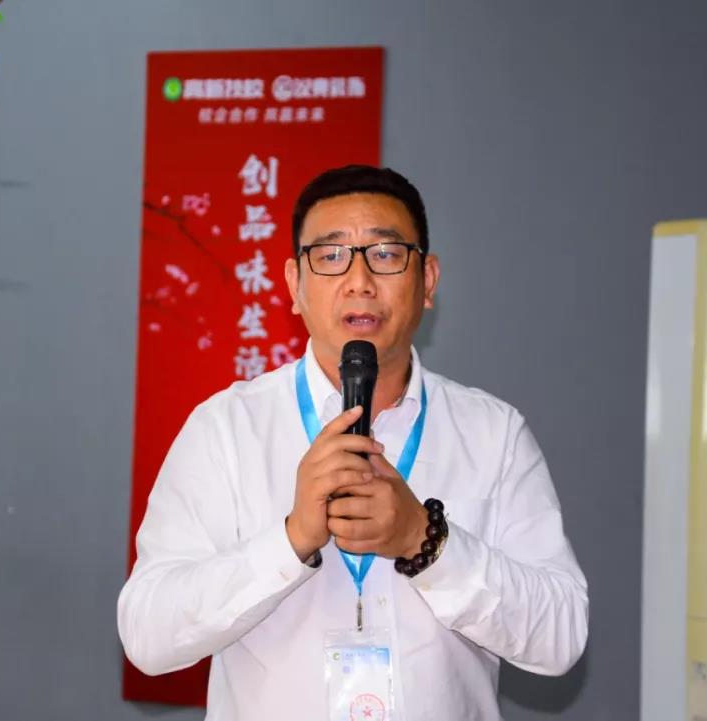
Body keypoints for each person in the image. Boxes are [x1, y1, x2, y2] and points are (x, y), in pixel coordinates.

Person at [117, 165, 588, 720]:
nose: (359, 280)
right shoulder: (226, 429)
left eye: (385, 254)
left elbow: (561, 638)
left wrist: (425, 540)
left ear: (427, 280)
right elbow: (148, 635)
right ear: (294, 285)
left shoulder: (493, 434)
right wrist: (290, 541)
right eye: (331, 255)